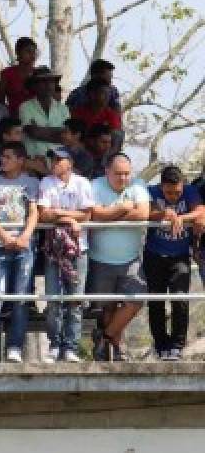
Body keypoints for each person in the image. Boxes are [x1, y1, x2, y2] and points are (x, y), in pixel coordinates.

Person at [0, 142, 40, 363]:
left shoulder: (31, 183)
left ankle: (15, 346)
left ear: (20, 160)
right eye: (2, 156)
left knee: (21, 297)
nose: (2, 160)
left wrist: (25, 236)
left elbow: (34, 212)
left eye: (8, 156)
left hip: (25, 245)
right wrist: (5, 237)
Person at [88, 153, 150, 362]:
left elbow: (143, 214)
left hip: (131, 259)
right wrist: (123, 208)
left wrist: (110, 214)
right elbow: (94, 214)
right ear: (107, 172)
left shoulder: (138, 184)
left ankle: (104, 337)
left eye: (126, 174)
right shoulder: (95, 185)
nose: (123, 178)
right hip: (100, 258)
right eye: (118, 174)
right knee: (108, 307)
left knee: (136, 301)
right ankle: (113, 351)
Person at [36, 146, 94, 363]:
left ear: (70, 162)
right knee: (53, 300)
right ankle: (54, 344)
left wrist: (59, 213)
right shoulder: (46, 182)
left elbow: (86, 214)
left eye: (59, 159)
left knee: (75, 300)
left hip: (79, 249)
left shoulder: (82, 183)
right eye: (53, 159)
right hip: (54, 248)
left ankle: (70, 346)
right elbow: (44, 214)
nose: (55, 163)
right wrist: (70, 219)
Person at [145, 166, 203, 361]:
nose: (173, 196)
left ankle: (177, 346)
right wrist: (164, 214)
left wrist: (180, 217)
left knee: (180, 299)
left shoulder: (190, 191)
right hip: (154, 254)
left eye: (177, 192)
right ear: (161, 186)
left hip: (180, 256)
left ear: (182, 186)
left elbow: (200, 211)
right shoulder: (151, 191)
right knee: (156, 301)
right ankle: (161, 345)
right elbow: (146, 212)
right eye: (168, 192)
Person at [18, 66, 68, 160]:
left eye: (51, 81)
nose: (48, 85)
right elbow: (33, 132)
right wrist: (59, 132)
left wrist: (40, 131)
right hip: (34, 163)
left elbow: (67, 137)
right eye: (43, 81)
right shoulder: (25, 107)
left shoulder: (63, 109)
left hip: (58, 162)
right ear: (34, 85)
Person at [0, 37, 38, 114]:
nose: (32, 56)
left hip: (37, 120)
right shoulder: (7, 73)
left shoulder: (39, 74)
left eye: (34, 52)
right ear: (18, 52)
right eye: (28, 52)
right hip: (13, 119)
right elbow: (0, 101)